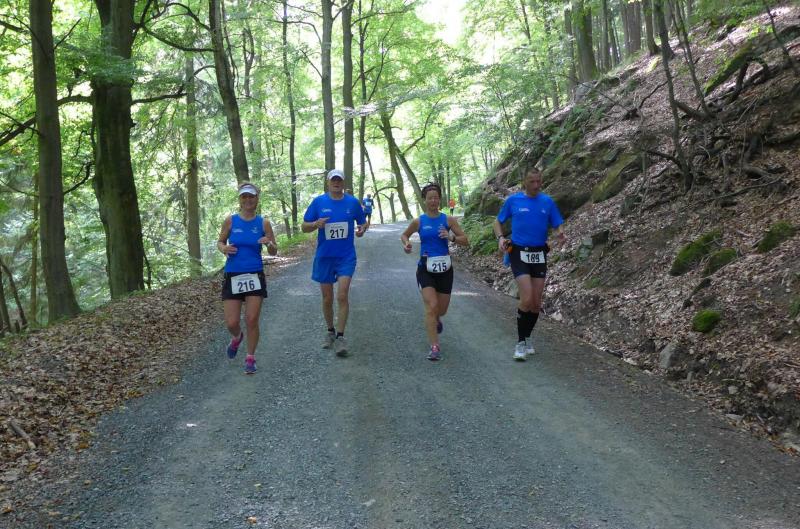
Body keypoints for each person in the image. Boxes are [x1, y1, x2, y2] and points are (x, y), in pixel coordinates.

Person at [492, 167, 566, 361]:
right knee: (526, 298)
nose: (536, 185)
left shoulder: (547, 202)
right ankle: (520, 343)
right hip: (518, 252)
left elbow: (557, 223)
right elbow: (497, 222)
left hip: (539, 253)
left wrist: (559, 233)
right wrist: (500, 238)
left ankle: (527, 337)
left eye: (538, 181)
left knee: (535, 303)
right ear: (524, 182)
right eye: (532, 181)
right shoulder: (514, 201)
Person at [302, 169, 367, 357]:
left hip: (346, 256)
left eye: (339, 180)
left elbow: (362, 223)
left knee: (342, 295)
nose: (336, 183)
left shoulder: (352, 203)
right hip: (325, 256)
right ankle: (330, 331)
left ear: (343, 183)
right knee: (327, 298)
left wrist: (362, 229)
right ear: (328, 182)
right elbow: (304, 226)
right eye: (333, 180)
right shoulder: (319, 202)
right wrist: (315, 224)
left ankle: (340, 336)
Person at [400, 183, 469, 361]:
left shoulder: (448, 220)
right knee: (432, 306)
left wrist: (451, 237)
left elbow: (465, 240)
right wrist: (407, 244)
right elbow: (404, 235)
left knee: (441, 310)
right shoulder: (419, 221)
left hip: (445, 269)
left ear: (440, 199)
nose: (433, 201)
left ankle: (437, 318)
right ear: (425, 200)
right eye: (430, 198)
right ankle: (434, 346)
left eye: (436, 198)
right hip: (426, 268)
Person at [217, 182, 278, 374]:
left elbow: (274, 250)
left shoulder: (263, 223)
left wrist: (269, 244)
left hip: (254, 274)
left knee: (252, 319)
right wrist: (224, 248)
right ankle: (237, 338)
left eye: (251, 196)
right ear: (240, 200)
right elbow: (220, 241)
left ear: (257, 199)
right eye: (244, 196)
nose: (248, 200)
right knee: (232, 323)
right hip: (233, 274)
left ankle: (250, 357)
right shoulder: (231, 221)